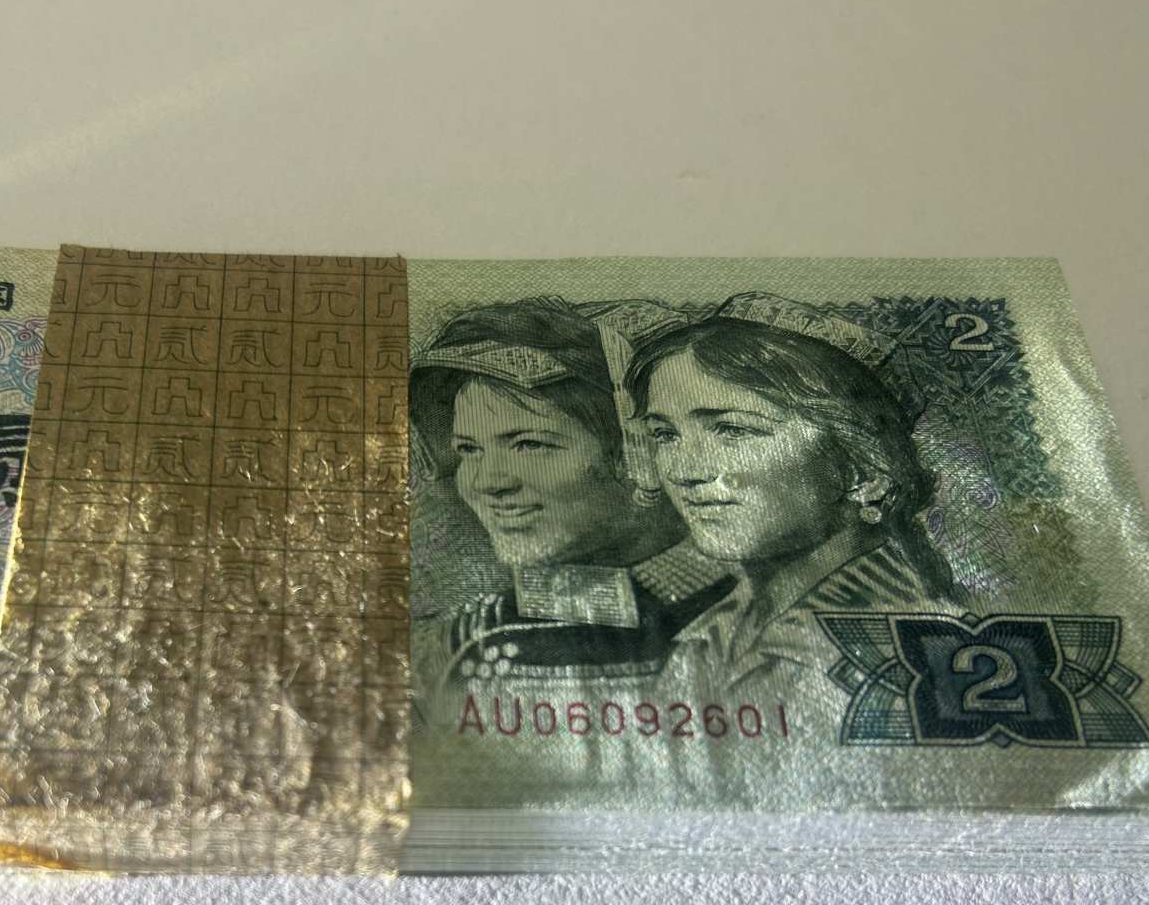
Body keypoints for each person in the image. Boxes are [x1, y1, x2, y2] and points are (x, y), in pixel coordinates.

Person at [623, 292, 963, 703]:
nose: (684, 471)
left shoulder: (907, 645)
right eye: (665, 435)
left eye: (733, 430)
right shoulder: (713, 632)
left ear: (865, 471)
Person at [409, 299, 729, 716]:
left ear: (639, 451)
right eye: (469, 450)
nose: (488, 483)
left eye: (529, 445)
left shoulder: (759, 617)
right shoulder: (460, 647)